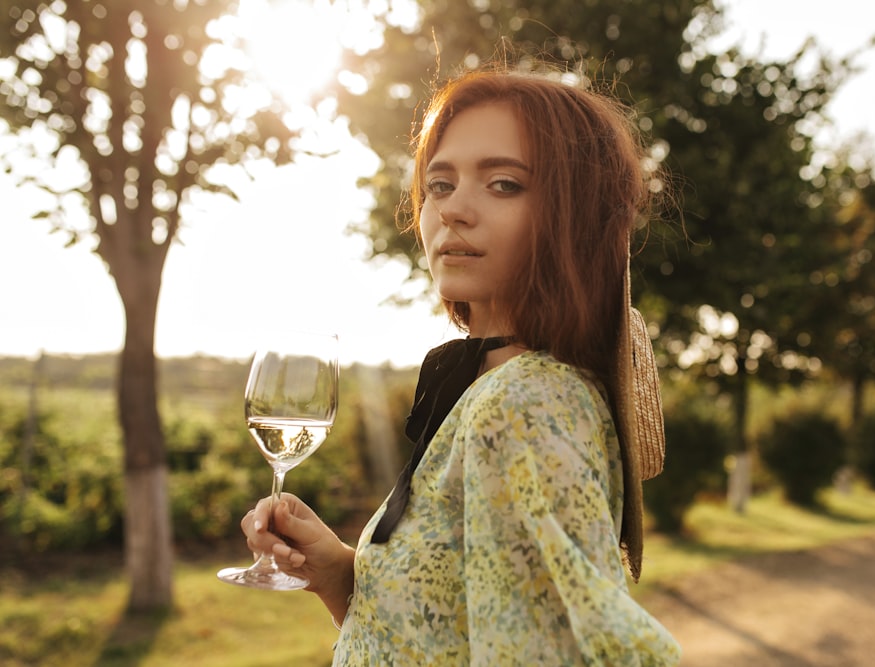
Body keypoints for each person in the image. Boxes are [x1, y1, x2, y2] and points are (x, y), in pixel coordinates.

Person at [241, 64, 682, 666]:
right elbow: (445, 637)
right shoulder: (490, 385)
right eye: (440, 184)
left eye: (503, 184)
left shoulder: (525, 403)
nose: (452, 210)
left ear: (574, 217)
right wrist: (342, 575)